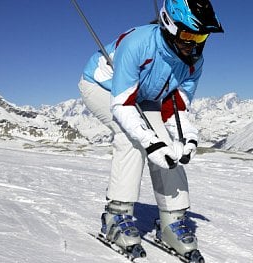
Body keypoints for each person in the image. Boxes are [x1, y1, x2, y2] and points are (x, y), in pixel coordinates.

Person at [78, 0, 223, 258]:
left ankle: (172, 221)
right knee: (131, 136)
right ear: (169, 24)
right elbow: (123, 103)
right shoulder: (138, 44)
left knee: (167, 141)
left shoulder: (193, 60)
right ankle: (116, 217)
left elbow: (175, 106)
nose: (195, 44)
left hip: (143, 94)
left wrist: (186, 137)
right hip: (104, 87)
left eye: (202, 36)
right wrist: (150, 143)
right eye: (189, 34)